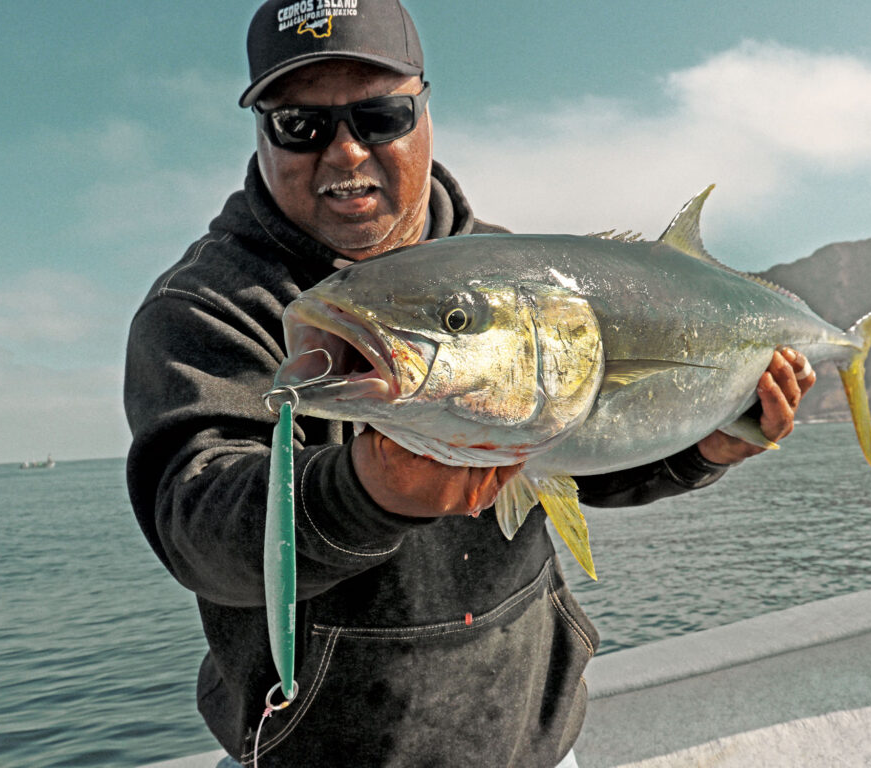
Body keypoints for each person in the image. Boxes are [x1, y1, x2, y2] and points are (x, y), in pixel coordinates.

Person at [123, 2, 816, 766]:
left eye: (380, 116)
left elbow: (583, 460)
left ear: (424, 116)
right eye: (302, 126)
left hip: (535, 746)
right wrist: (367, 490)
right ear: (261, 136)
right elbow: (200, 528)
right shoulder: (206, 308)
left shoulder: (510, 270)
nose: (347, 153)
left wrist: (701, 449)